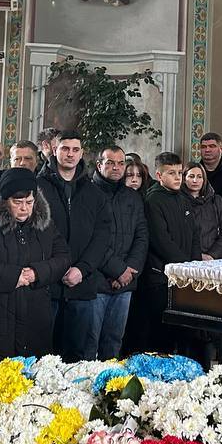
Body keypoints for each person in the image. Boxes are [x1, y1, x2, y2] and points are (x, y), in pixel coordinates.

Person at [0, 167, 70, 363]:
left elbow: (63, 257)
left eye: (29, 202)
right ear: (5, 200)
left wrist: (37, 273)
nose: (24, 209)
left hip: (36, 315)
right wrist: (13, 276)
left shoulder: (45, 224)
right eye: (17, 202)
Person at [37, 132, 111, 362]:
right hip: (46, 285)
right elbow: (32, 234)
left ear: (81, 154)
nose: (70, 154)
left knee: (76, 356)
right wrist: (53, 268)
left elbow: (102, 236)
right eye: (65, 148)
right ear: (54, 150)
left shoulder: (94, 193)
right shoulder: (37, 187)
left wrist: (82, 269)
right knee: (42, 354)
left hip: (82, 284)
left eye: (75, 150)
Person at [135, 152, 198, 355]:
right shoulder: (153, 200)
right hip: (160, 277)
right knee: (161, 336)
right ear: (159, 175)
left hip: (186, 276)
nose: (178, 177)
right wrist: (186, 266)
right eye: (172, 173)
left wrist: (196, 266)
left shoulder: (184, 199)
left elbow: (194, 235)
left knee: (184, 332)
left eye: (180, 172)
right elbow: (161, 241)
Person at [91, 146, 148, 359]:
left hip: (125, 282)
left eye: (120, 163)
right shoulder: (87, 193)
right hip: (96, 280)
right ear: (99, 165)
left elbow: (142, 236)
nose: (116, 167)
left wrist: (129, 269)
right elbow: (89, 239)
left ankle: (112, 379)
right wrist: (117, 270)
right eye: (110, 163)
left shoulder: (132, 196)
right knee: (90, 342)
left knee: (114, 340)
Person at [182, 162, 222, 262]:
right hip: (187, 258)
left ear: (204, 179)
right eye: (191, 176)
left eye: (199, 177)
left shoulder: (216, 201)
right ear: (184, 178)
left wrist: (212, 255)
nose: (195, 180)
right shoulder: (177, 201)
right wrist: (196, 255)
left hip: (214, 259)